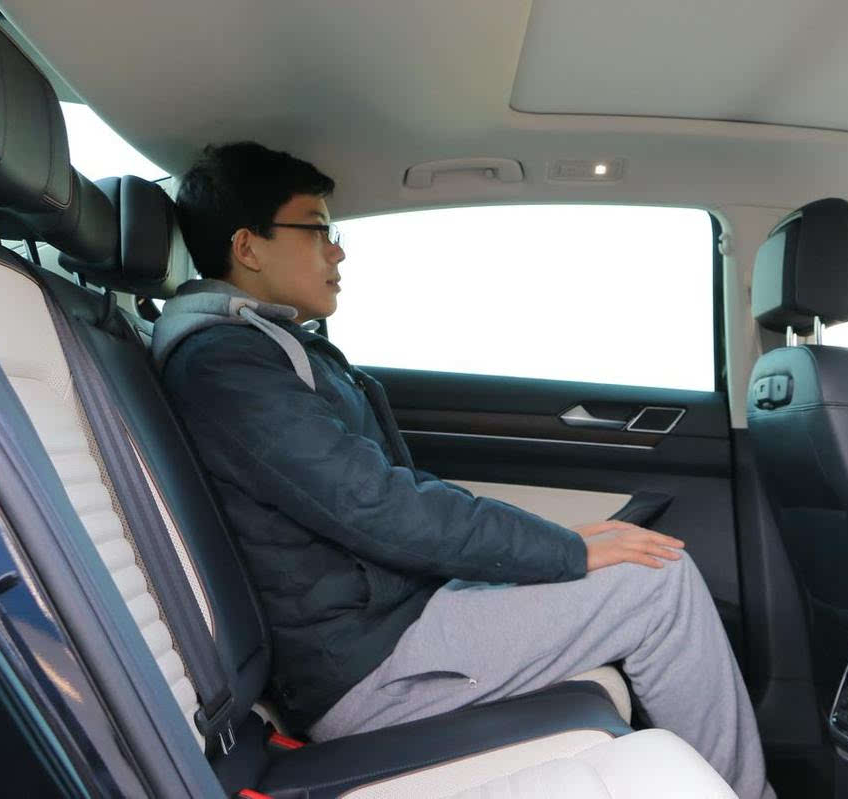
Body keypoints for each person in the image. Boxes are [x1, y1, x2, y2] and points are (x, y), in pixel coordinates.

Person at [153, 141, 775, 799]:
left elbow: (388, 493)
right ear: (248, 247)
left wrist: (562, 544)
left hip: (393, 624)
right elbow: (376, 504)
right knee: (658, 584)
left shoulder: (270, 350)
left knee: (643, 568)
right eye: (317, 230)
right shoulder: (227, 367)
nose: (336, 253)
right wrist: (563, 551)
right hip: (369, 665)